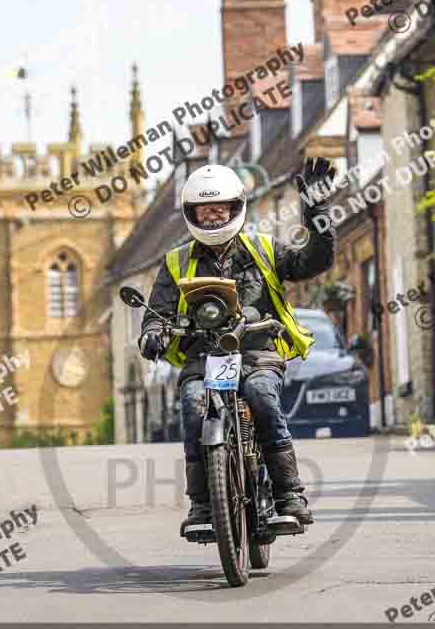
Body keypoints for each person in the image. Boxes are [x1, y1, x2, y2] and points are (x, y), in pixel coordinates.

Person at [138, 159, 336, 533]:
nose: (213, 216)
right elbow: (159, 310)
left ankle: (289, 496)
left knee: (262, 396)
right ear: (191, 213)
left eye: (220, 208)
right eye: (204, 209)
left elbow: (313, 260)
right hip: (202, 357)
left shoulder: (263, 248)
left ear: (235, 208)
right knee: (194, 409)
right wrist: (153, 333)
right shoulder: (176, 262)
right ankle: (201, 506)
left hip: (258, 351)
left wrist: (317, 212)